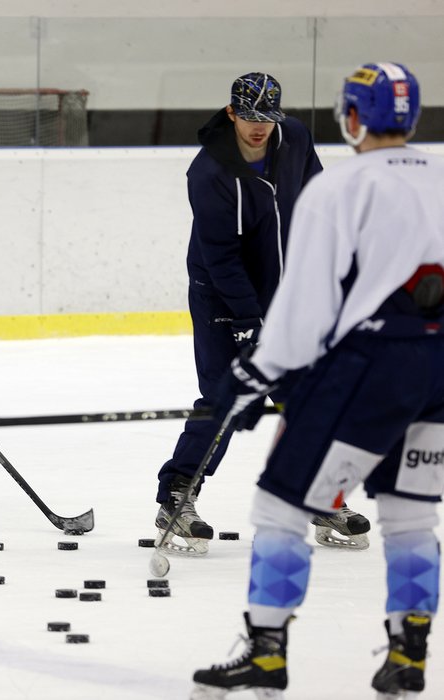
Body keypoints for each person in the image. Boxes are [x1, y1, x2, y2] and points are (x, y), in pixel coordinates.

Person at [192, 62, 441, 699]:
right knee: (411, 516)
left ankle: (267, 654)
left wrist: (249, 375)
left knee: (279, 505)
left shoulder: (340, 187)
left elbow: (302, 314)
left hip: (371, 366)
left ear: (351, 117)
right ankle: (408, 655)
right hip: (438, 373)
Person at [153, 72, 370, 556]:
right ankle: (176, 497)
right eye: (249, 117)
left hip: (287, 292)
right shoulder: (209, 172)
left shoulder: (293, 137)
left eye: (267, 118)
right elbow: (221, 257)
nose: (259, 127)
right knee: (227, 401)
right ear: (231, 113)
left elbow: (318, 204)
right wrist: (250, 320)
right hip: (221, 300)